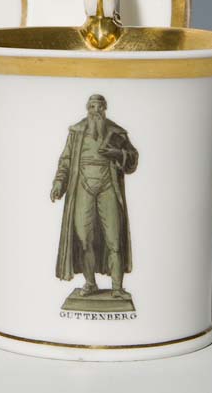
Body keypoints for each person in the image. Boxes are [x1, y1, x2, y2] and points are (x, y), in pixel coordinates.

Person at [51, 94, 138, 298]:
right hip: (83, 187)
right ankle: (90, 283)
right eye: (92, 107)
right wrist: (59, 183)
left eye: (99, 107)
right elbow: (66, 160)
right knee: (84, 239)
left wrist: (118, 154)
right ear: (87, 108)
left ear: (105, 109)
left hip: (108, 187)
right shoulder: (76, 132)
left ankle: (117, 288)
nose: (95, 111)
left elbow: (133, 159)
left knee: (114, 240)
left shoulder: (116, 133)